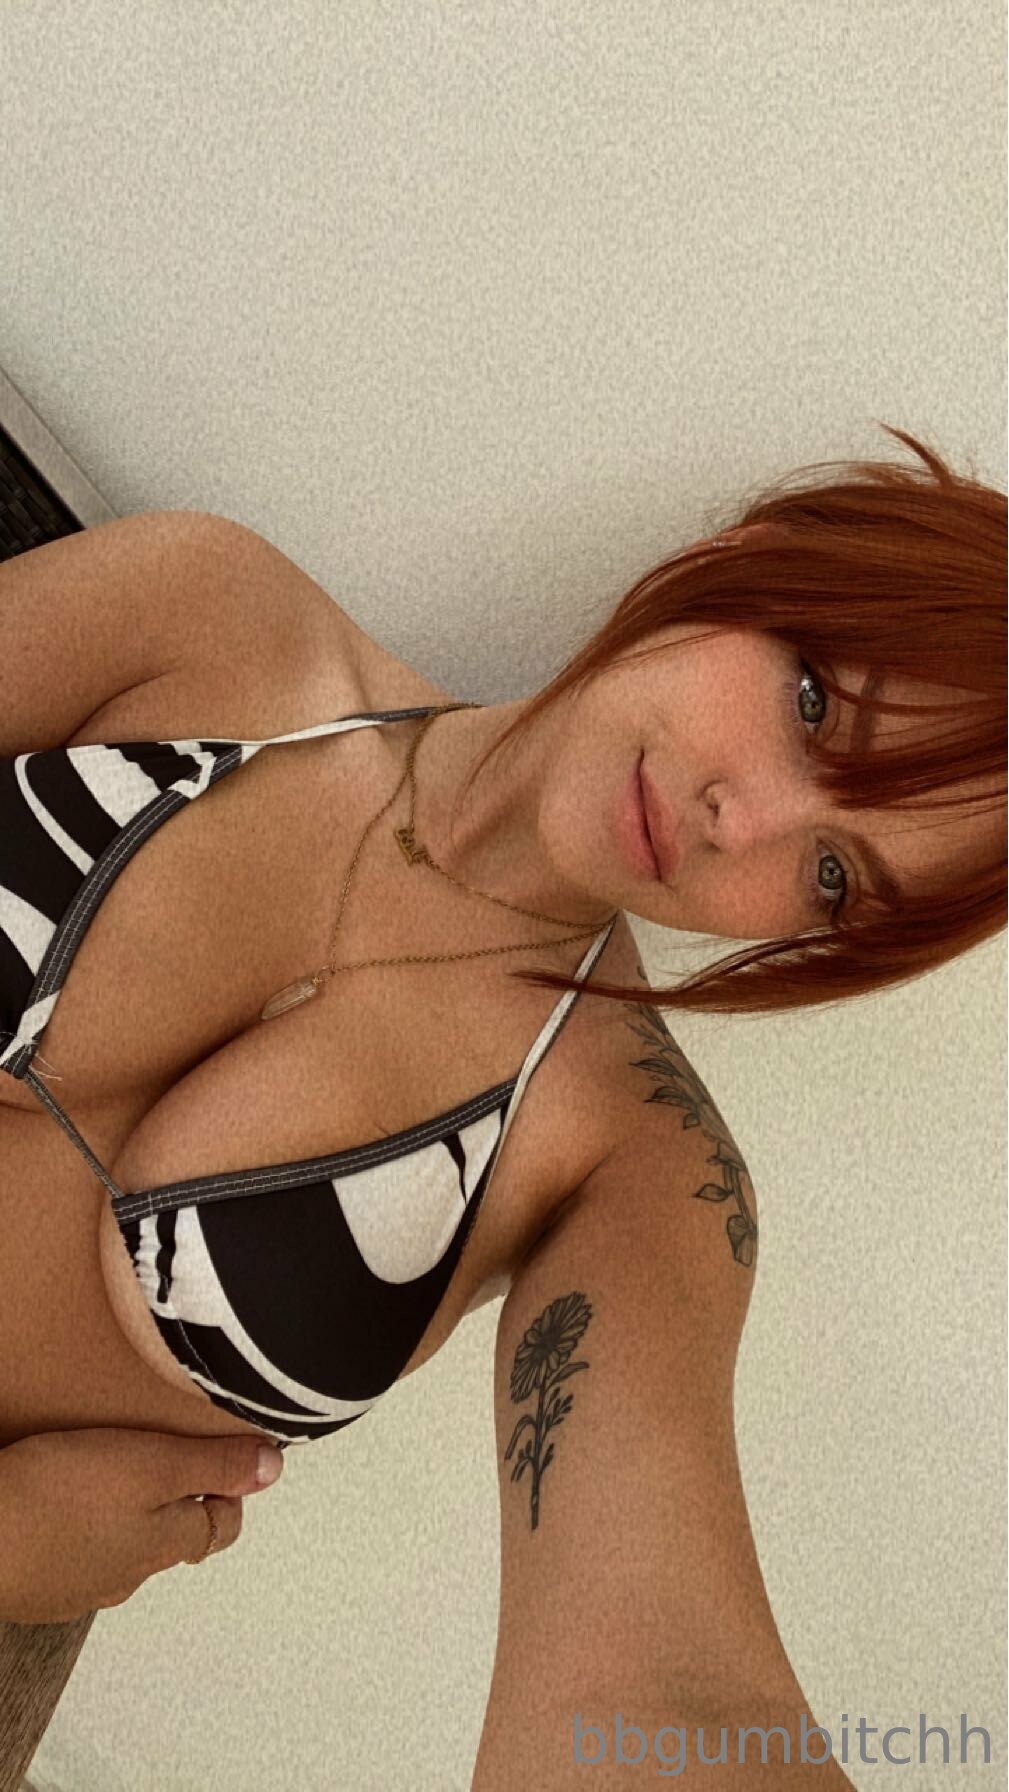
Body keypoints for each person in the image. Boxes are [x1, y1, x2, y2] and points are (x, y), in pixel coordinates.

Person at [0, 426, 1004, 1763]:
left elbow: (674, 1693)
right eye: (813, 705)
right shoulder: (209, 617)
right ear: (748, 561)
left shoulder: (633, 1166)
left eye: (830, 876)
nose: (743, 820)